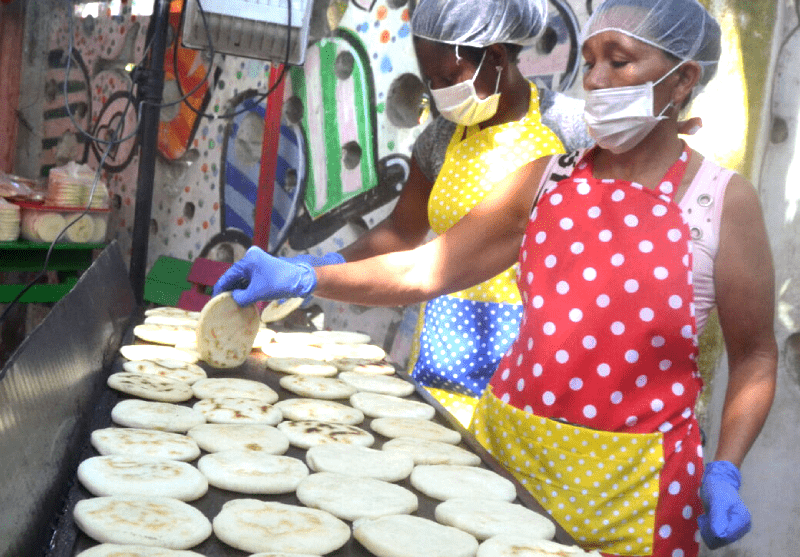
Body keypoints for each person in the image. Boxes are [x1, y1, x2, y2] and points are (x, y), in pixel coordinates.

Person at [215, 0, 777, 555]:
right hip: (507, 465)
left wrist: (726, 465)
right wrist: (307, 275)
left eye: (620, 62)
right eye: (590, 62)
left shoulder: (720, 202)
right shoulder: (547, 179)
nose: (597, 81)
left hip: (638, 490)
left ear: (682, 81)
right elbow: (425, 266)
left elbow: (754, 354)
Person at [291, 0, 590, 425]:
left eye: (450, 77)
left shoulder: (570, 131)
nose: (438, 91)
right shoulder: (439, 139)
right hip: (445, 355)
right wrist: (323, 266)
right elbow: (401, 231)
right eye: (431, 79)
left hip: (534, 364)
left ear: (497, 56)